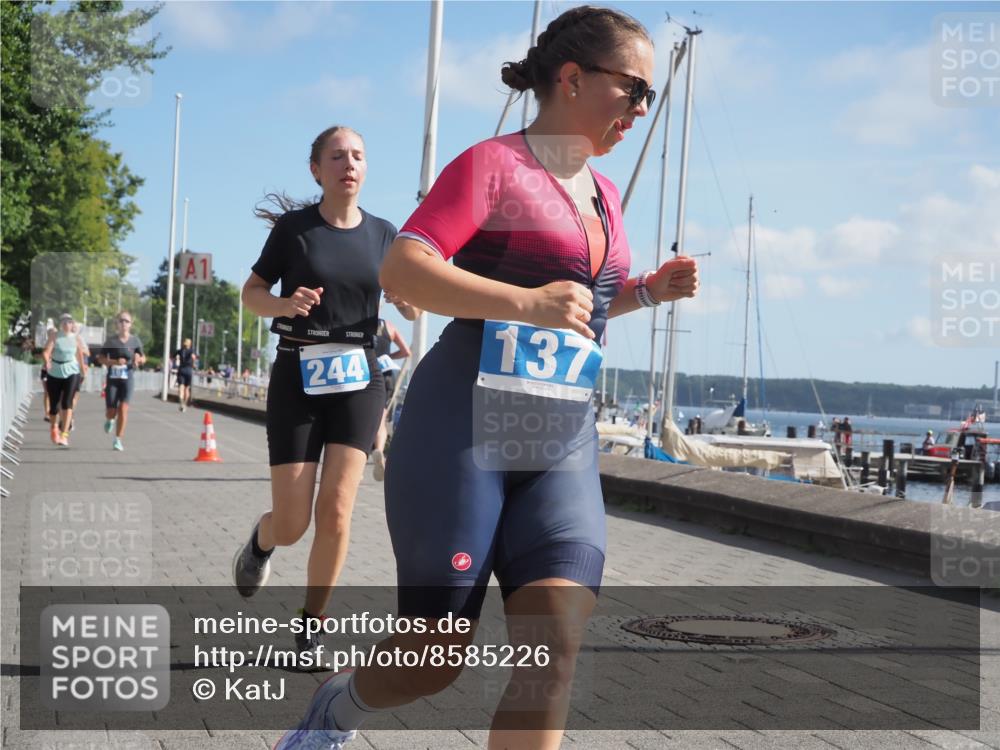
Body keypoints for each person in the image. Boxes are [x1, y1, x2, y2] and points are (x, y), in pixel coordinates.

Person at [275, 7, 698, 749]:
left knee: (554, 653)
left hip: (559, 444)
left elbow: (581, 311)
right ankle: (334, 711)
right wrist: (525, 302)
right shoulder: (494, 166)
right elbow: (404, 266)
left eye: (647, 97)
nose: (639, 108)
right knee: (432, 662)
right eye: (634, 89)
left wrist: (646, 292)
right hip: (461, 435)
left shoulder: (604, 198)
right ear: (572, 79)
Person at [232, 125, 418, 666]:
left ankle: (311, 630)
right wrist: (285, 304)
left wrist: (407, 302)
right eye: (337, 156)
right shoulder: (295, 230)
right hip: (298, 376)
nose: (349, 163)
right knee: (294, 523)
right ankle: (262, 542)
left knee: (337, 511)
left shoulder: (385, 234)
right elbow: (252, 294)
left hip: (359, 379)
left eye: (358, 155)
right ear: (317, 169)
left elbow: (409, 301)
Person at [370, 316, 411, 481]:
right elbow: (406, 351)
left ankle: (357, 465)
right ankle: (379, 449)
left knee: (366, 418)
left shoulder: (359, 323)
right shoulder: (389, 326)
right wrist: (389, 356)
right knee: (382, 416)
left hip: (367, 370)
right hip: (387, 373)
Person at [98, 311, 146, 451]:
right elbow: (100, 358)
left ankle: (118, 439)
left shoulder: (135, 341)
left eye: (127, 321)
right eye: (121, 321)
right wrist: (114, 361)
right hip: (113, 379)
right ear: (117, 324)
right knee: (111, 411)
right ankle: (110, 419)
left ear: (131, 324)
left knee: (123, 409)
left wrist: (138, 360)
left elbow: (143, 358)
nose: (124, 323)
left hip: (128, 378)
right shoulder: (111, 341)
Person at [41, 314, 88, 447]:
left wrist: (83, 372)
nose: (67, 324)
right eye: (64, 322)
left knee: (67, 403)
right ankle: (53, 428)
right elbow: (46, 352)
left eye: (69, 322)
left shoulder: (76, 338)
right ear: (61, 324)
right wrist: (47, 362)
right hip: (55, 371)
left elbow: (79, 354)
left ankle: (64, 435)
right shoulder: (55, 336)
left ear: (73, 324)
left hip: (72, 371)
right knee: (54, 405)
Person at [174, 338, 197, 411]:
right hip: (189, 370)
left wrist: (177, 360)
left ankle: (181, 402)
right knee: (187, 389)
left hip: (181, 370)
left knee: (181, 387)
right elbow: (194, 357)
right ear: (190, 344)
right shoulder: (192, 350)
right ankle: (184, 404)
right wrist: (193, 364)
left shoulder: (180, 350)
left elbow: (173, 356)